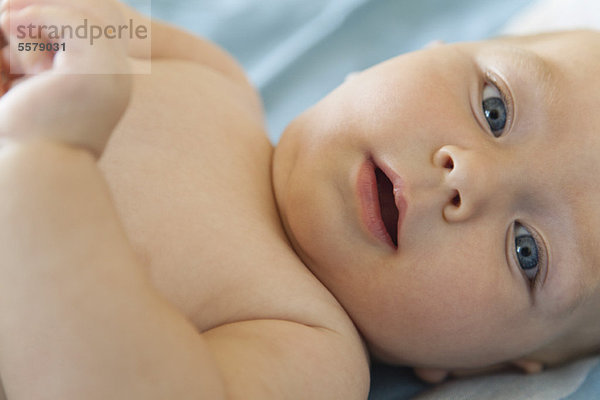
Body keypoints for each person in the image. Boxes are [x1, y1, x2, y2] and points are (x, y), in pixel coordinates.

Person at [0, 0, 598, 398]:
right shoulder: (213, 75)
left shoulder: (309, 349)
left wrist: (45, 159)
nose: (469, 177)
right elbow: (88, 24)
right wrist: (43, 26)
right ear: (420, 53)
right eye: (494, 109)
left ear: (480, 366)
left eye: (528, 253)